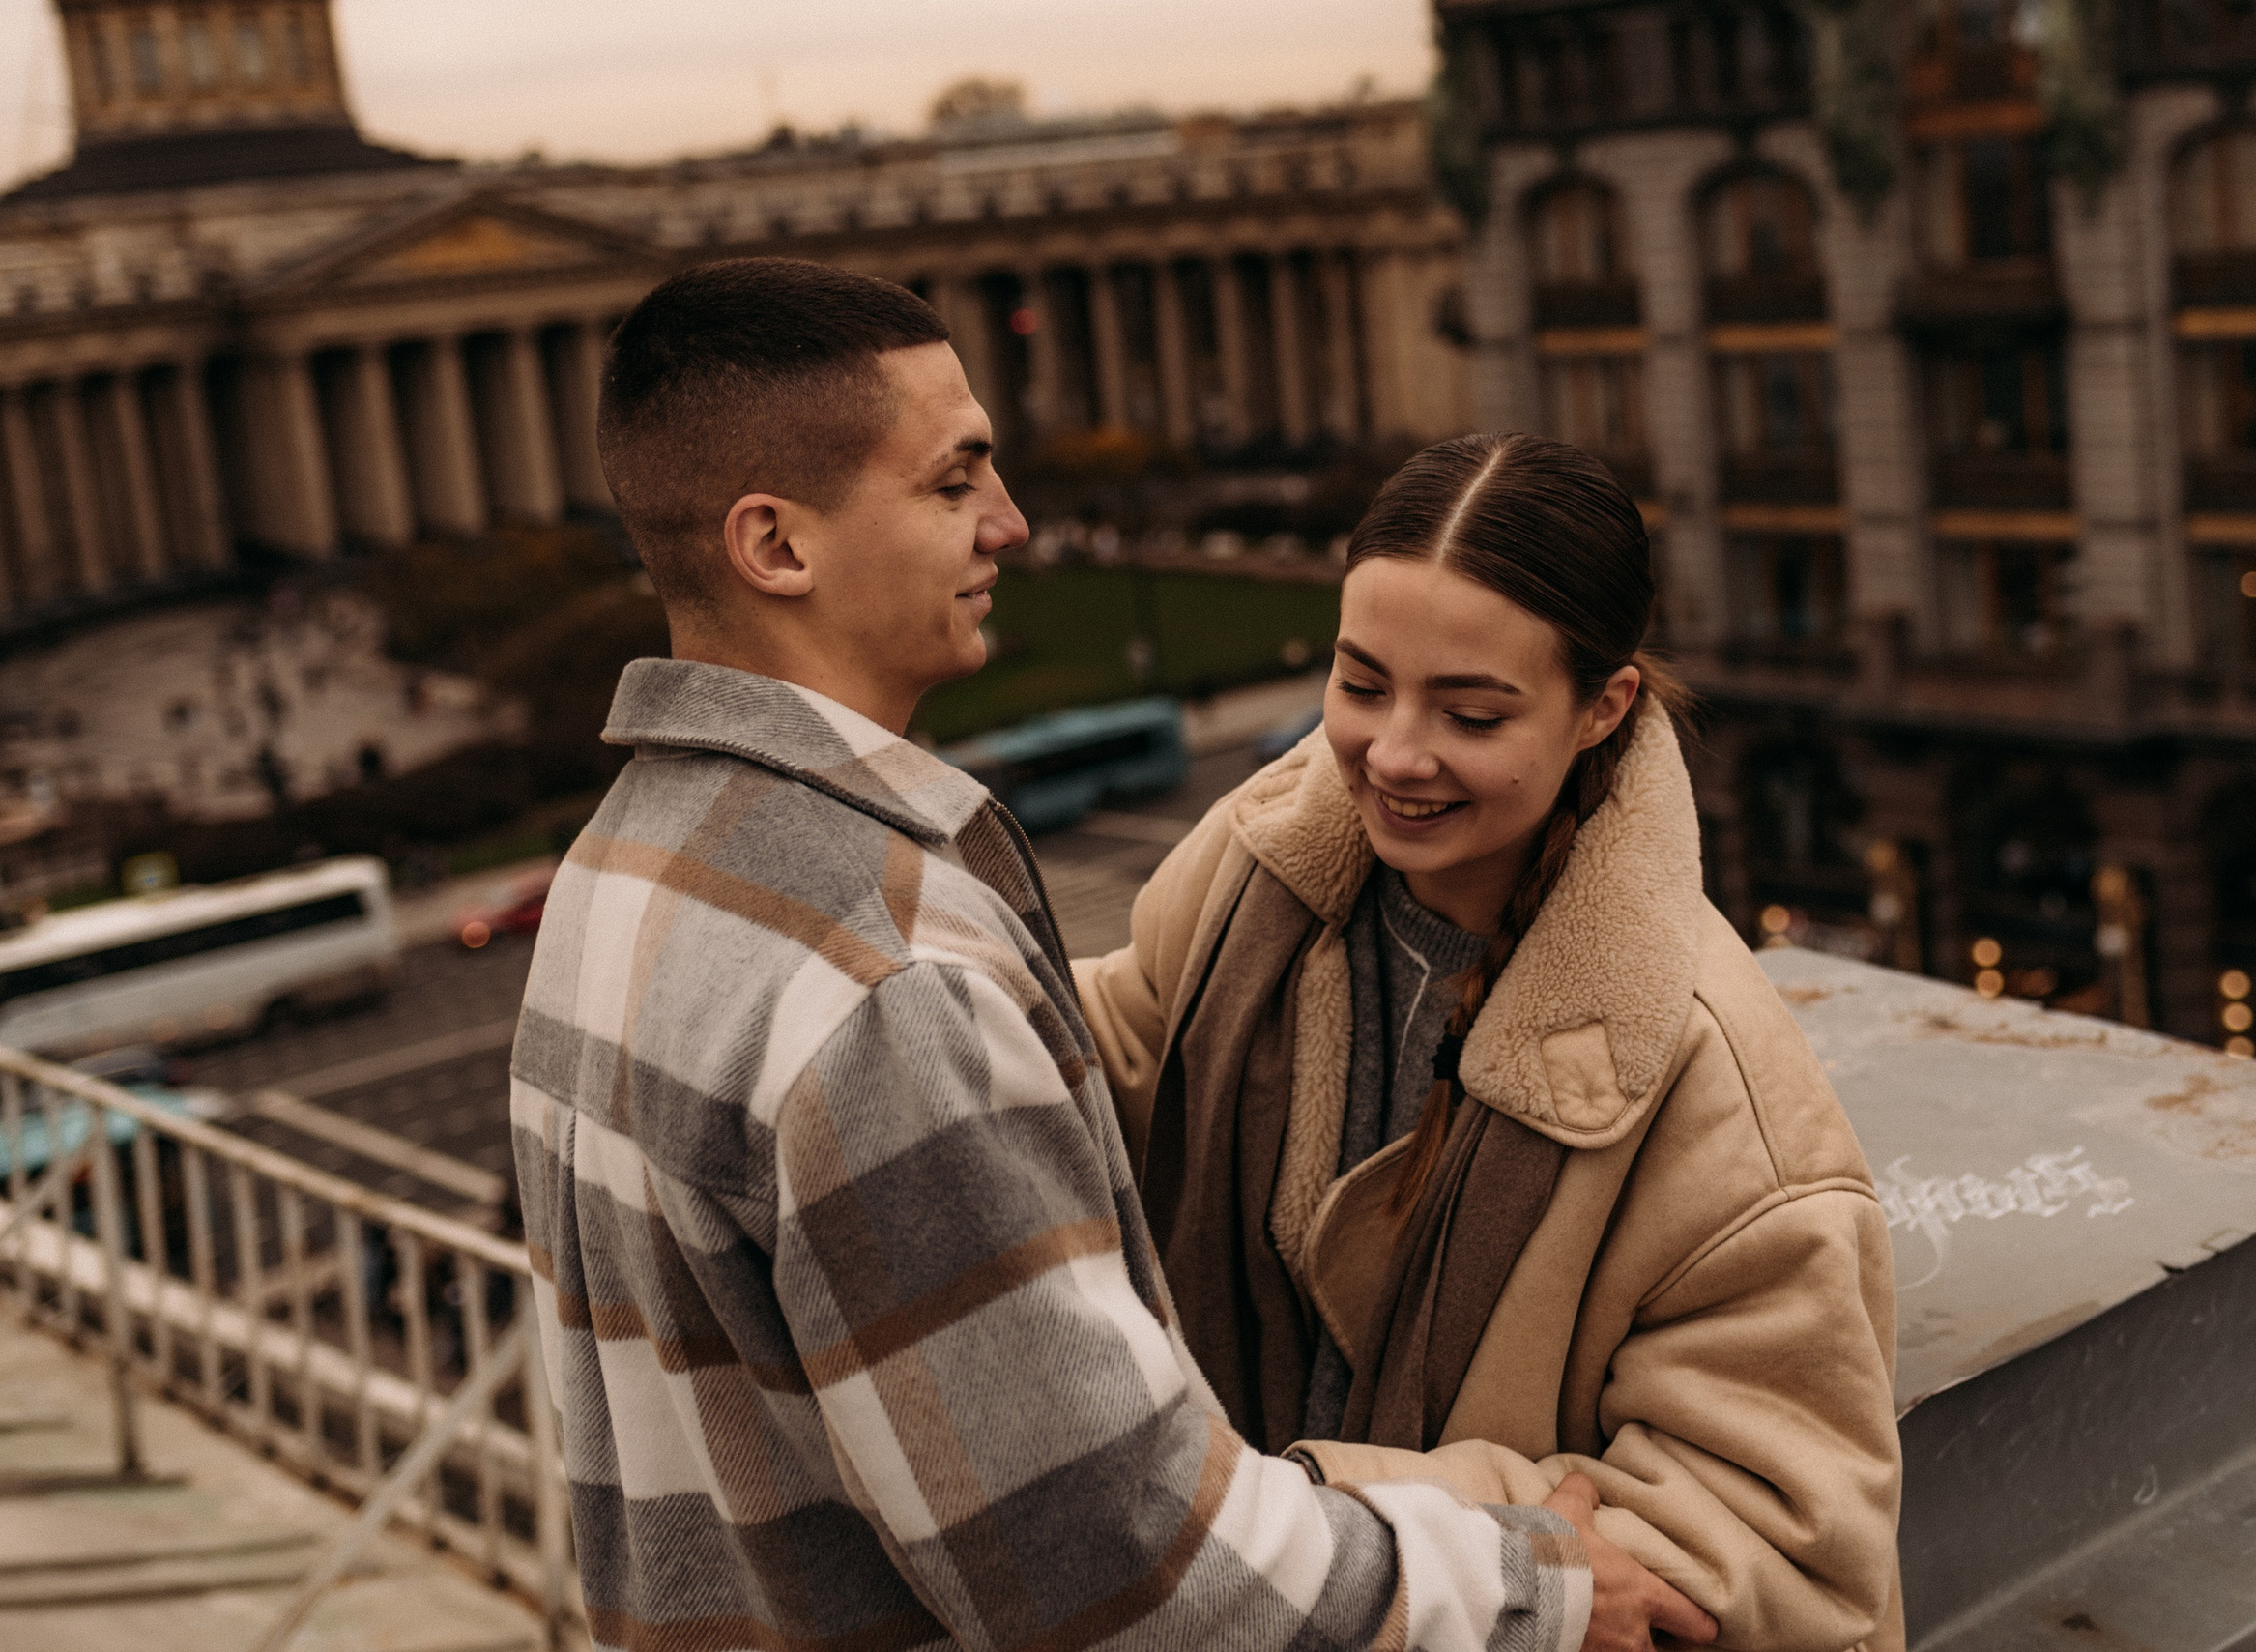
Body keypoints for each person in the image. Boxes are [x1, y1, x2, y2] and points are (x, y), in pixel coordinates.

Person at [508, 260, 1681, 1652]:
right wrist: (1527, 1585)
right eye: (954, 482)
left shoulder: (620, 871)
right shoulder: (887, 985)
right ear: (776, 546)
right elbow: (1126, 1571)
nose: (1009, 522)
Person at [1075, 433, 1906, 1651]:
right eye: (1360, 685)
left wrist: (1322, 1526)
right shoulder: (1254, 861)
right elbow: (1108, 1060)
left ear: (1602, 708)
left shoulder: (1721, 1093)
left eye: (1469, 711)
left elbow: (1781, 1551)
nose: (1393, 754)